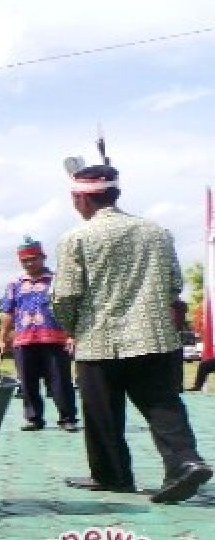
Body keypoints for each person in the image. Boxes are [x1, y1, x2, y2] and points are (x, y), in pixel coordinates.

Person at [53, 162, 211, 503]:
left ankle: (113, 477)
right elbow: (174, 284)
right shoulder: (157, 231)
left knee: (102, 413)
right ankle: (184, 461)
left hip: (99, 340)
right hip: (153, 336)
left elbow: (66, 295)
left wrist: (71, 328)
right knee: (163, 405)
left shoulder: (75, 238)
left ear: (81, 199)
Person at [0, 236, 79, 432]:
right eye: (25, 260)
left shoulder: (57, 281)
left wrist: (72, 334)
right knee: (27, 382)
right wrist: (2, 338)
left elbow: (70, 309)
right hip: (24, 340)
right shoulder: (14, 284)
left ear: (43, 257)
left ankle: (67, 418)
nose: (30, 263)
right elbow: (7, 313)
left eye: (34, 258)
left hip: (55, 340)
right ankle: (34, 418)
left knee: (60, 381)